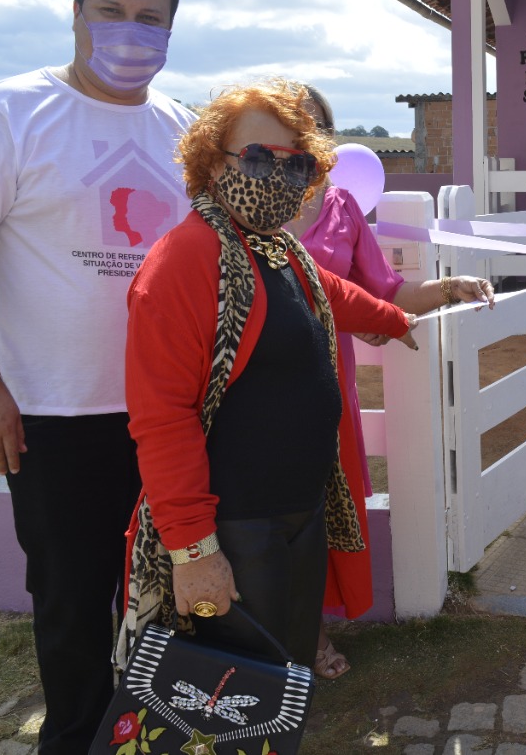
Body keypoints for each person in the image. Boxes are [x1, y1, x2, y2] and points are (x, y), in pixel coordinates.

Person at [0, 0, 191, 755]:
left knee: (172, 597)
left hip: (171, 414)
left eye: (149, 18)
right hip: (57, 416)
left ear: (170, 32)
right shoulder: (8, 113)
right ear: (77, 16)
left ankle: (155, 735)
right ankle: (79, 740)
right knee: (74, 604)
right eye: (111, 12)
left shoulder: (182, 130)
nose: (130, 30)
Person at [119, 79, 425, 682]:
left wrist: (392, 317)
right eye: (258, 156)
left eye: (296, 162)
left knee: (281, 679)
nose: (277, 174)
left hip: (299, 507)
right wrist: (195, 552)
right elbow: (162, 418)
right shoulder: (185, 259)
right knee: (233, 687)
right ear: (213, 161)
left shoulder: (279, 251)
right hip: (235, 523)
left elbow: (333, 293)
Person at [287, 84, 495, 679]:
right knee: (252, 513)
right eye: (291, 124)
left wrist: (449, 287)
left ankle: (309, 634)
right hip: (243, 391)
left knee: (315, 512)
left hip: (322, 390)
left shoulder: (342, 208)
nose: (305, 135)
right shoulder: (236, 205)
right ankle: (249, 639)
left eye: (317, 125)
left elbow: (383, 293)